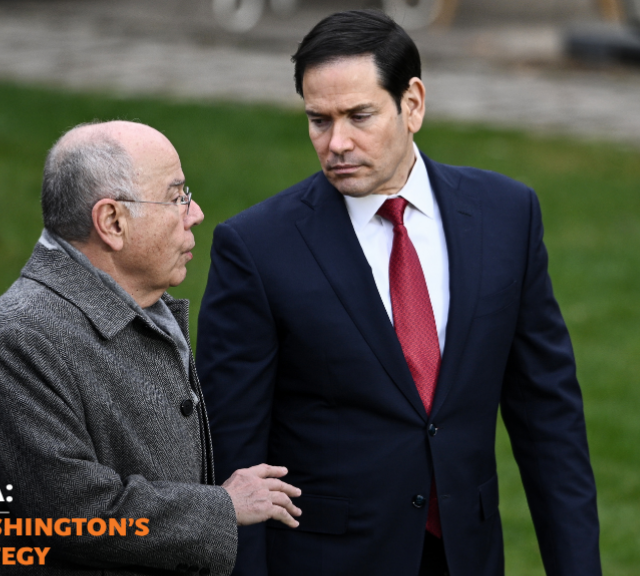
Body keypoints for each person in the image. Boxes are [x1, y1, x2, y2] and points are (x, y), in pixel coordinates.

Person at [196, 10, 601, 576]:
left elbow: (548, 417)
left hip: (467, 554)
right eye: (318, 120)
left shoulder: (507, 215)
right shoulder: (256, 248)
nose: (336, 142)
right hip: (328, 560)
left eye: (359, 116)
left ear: (412, 103)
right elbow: (231, 450)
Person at [0, 120, 302, 576]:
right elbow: (73, 513)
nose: (195, 212)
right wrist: (221, 507)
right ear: (112, 222)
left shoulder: (141, 306)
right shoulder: (22, 337)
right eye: (177, 196)